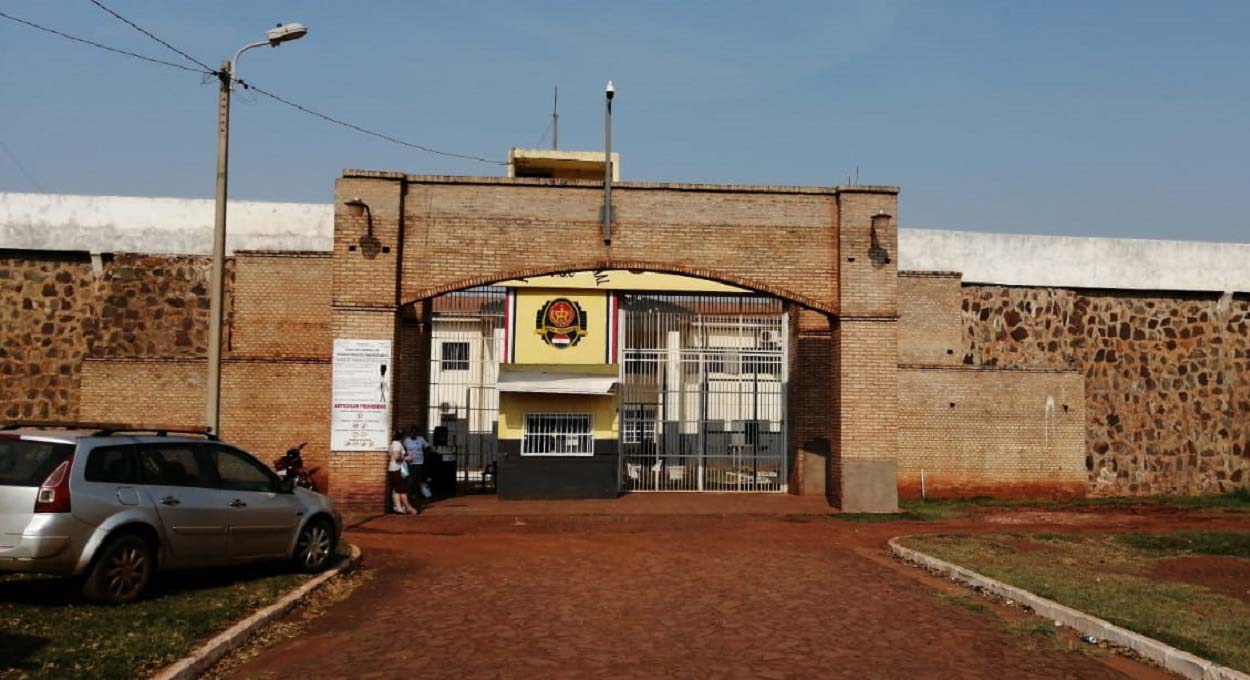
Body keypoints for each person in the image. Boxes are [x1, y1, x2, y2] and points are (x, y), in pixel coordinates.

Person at [402, 426, 431, 510]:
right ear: (410, 433)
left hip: (419, 463)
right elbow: (403, 450)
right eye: (412, 432)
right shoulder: (407, 440)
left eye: (415, 432)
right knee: (410, 480)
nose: (413, 434)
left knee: (417, 480)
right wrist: (406, 457)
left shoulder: (421, 439)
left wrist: (425, 457)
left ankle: (416, 497)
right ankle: (410, 497)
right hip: (409, 463)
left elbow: (428, 447)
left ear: (417, 433)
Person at [387, 434, 418, 515]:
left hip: (393, 468)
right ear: (402, 437)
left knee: (397, 490)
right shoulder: (397, 444)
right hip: (397, 469)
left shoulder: (393, 444)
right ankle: (408, 508)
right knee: (402, 489)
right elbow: (397, 457)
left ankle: (399, 508)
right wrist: (406, 458)